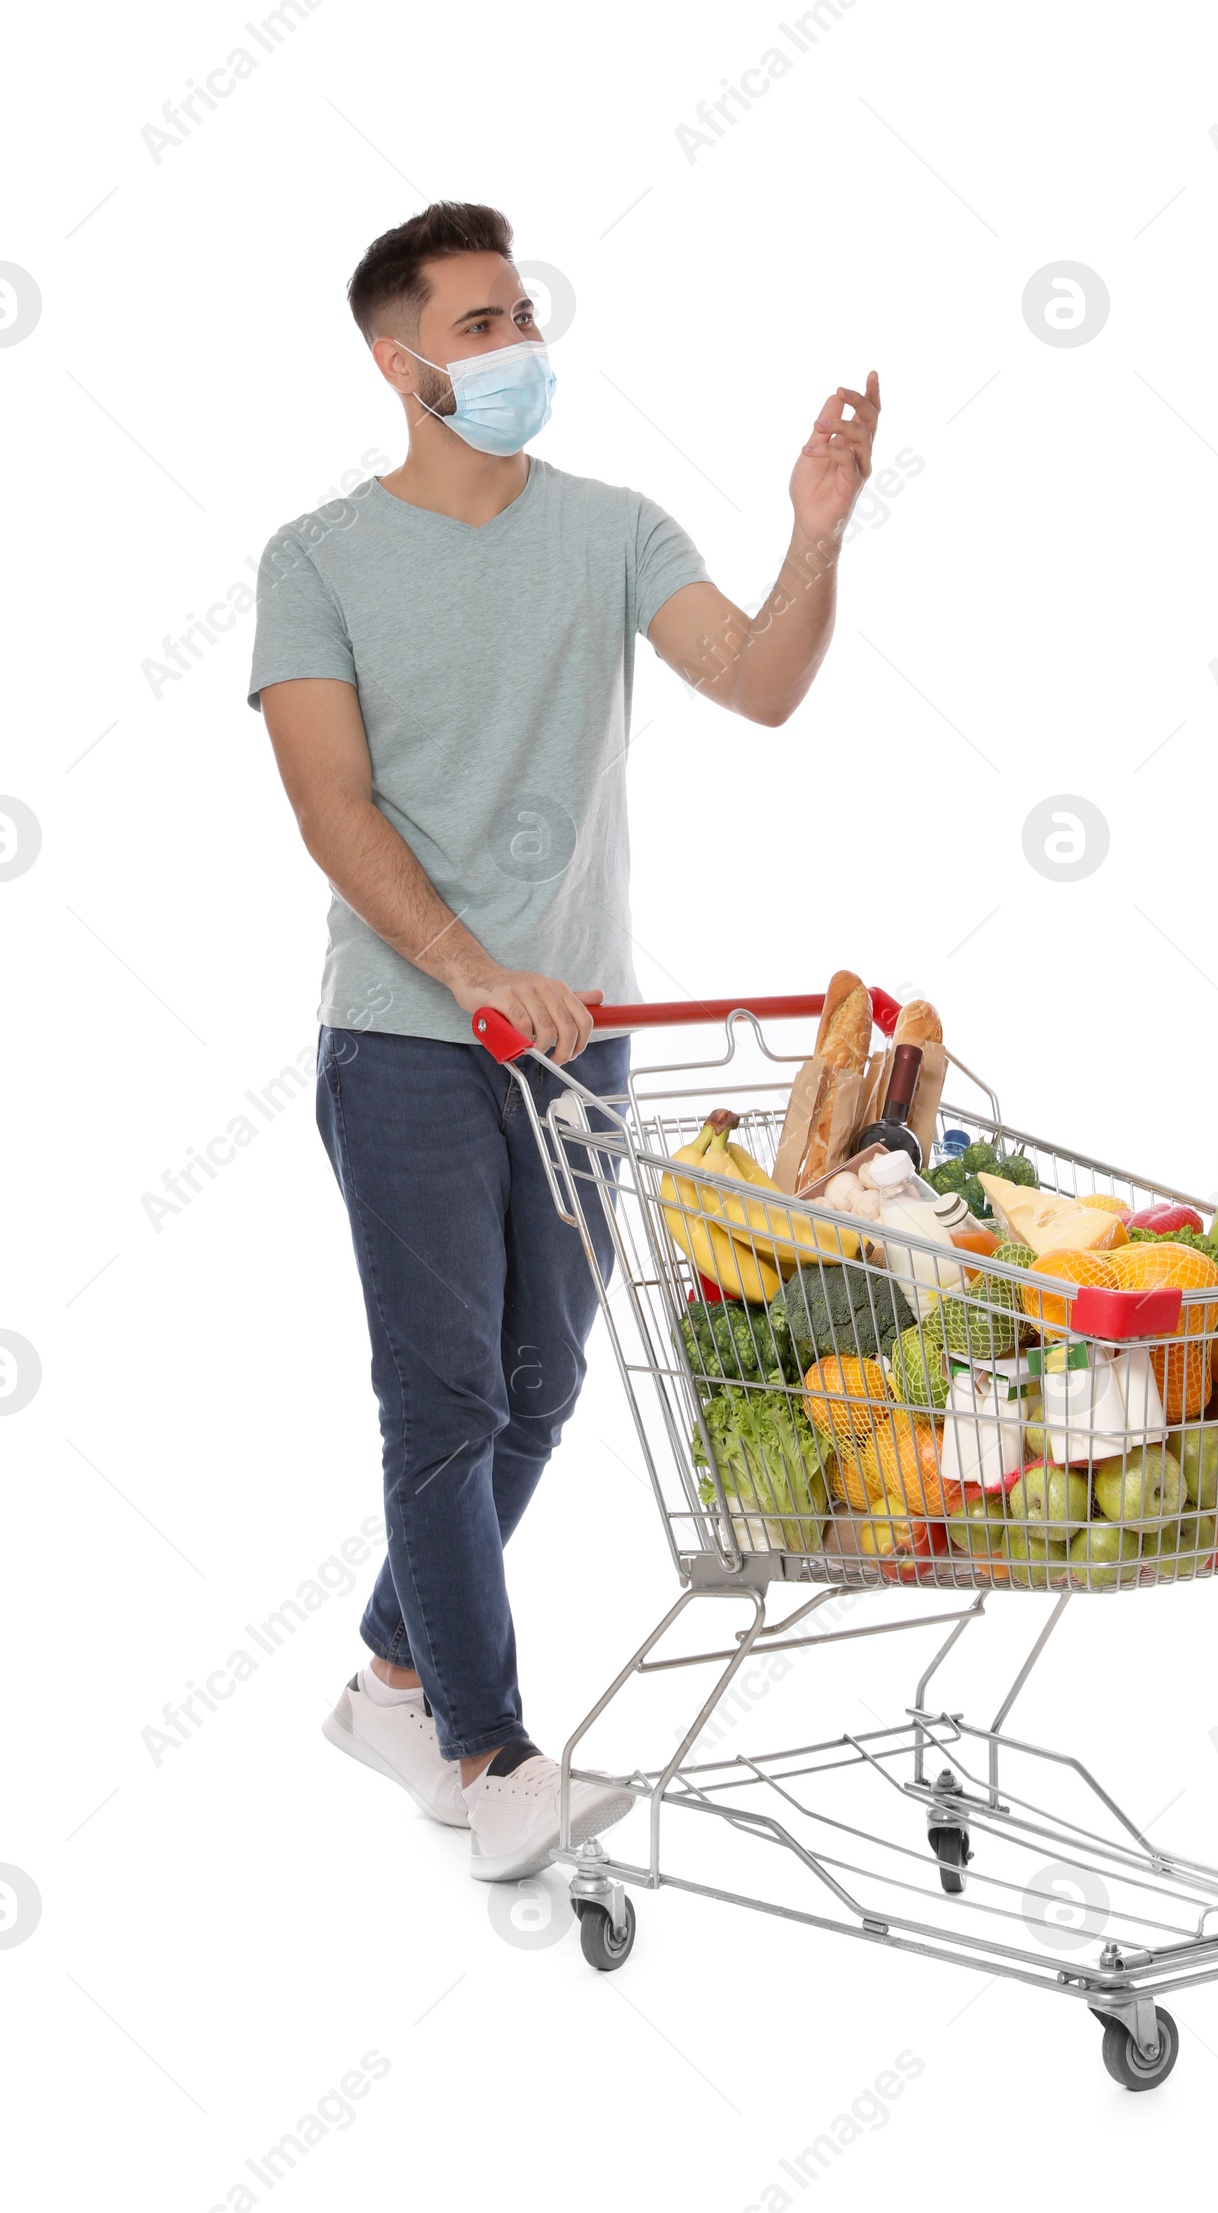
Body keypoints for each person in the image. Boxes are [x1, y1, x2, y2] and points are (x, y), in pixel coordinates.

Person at [250, 201, 877, 1881]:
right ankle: (487, 1741)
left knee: (542, 1382)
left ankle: (393, 1672)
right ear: (400, 365)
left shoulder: (608, 530)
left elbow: (754, 678)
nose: (518, 344)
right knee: (443, 1395)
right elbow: (330, 805)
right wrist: (463, 966)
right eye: (479, 325)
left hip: (578, 1043)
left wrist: (813, 530)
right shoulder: (314, 563)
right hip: (404, 1040)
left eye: (523, 311)